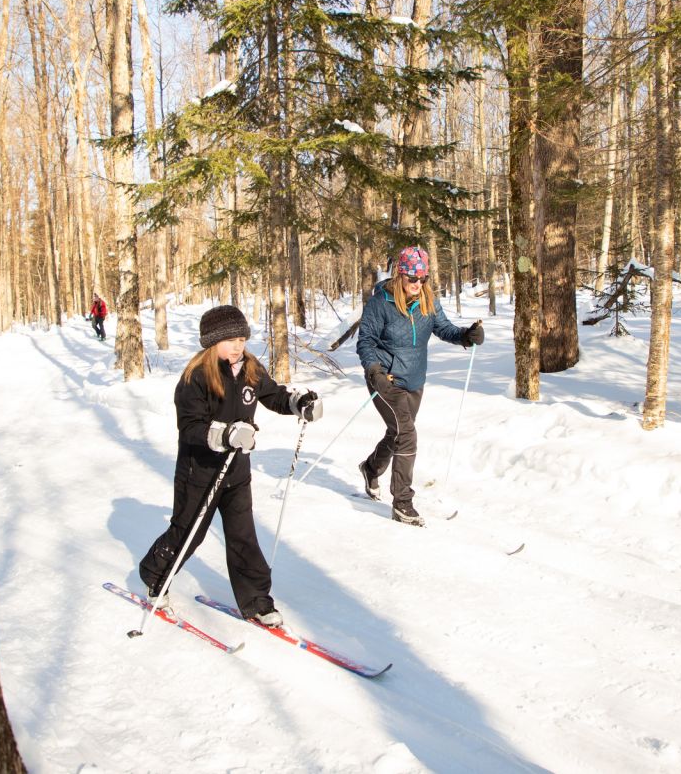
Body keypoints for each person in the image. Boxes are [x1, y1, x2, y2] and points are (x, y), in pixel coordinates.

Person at [138, 305, 323, 627]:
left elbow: (273, 395)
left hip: (237, 472)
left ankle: (257, 602)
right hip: (200, 472)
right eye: (230, 340)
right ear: (212, 342)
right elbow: (190, 427)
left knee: (243, 538)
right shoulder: (196, 377)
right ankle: (155, 574)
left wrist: (298, 403)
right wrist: (224, 433)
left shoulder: (250, 368)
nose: (238, 345)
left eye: (242, 338)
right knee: (188, 533)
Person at [356, 246, 483, 526]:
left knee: (399, 432)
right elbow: (365, 341)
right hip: (386, 379)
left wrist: (466, 336)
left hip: (414, 379)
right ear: (400, 275)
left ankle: (370, 467)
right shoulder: (381, 303)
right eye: (412, 278)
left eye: (422, 278)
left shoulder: (428, 300)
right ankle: (402, 502)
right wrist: (374, 370)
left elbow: (444, 328)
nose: (417, 284)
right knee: (407, 434)